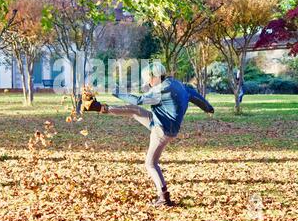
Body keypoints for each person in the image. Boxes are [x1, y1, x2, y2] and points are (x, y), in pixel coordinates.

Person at [82, 62, 214, 207]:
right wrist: (209, 108)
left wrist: (114, 90)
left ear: (153, 77)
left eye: (148, 80)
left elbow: (138, 99)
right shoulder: (177, 84)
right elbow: (195, 96)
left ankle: (164, 198)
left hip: (162, 130)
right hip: (162, 123)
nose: (148, 84)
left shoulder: (161, 90)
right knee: (135, 111)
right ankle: (100, 108)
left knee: (150, 163)